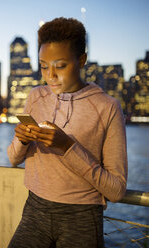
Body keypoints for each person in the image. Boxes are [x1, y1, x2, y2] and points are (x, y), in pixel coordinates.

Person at [7, 17, 127, 248]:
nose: (50, 75)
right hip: (35, 210)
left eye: (60, 66)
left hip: (81, 217)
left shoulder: (107, 106)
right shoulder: (35, 97)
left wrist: (67, 147)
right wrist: (22, 140)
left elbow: (117, 190)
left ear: (81, 60)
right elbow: (13, 159)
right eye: (43, 66)